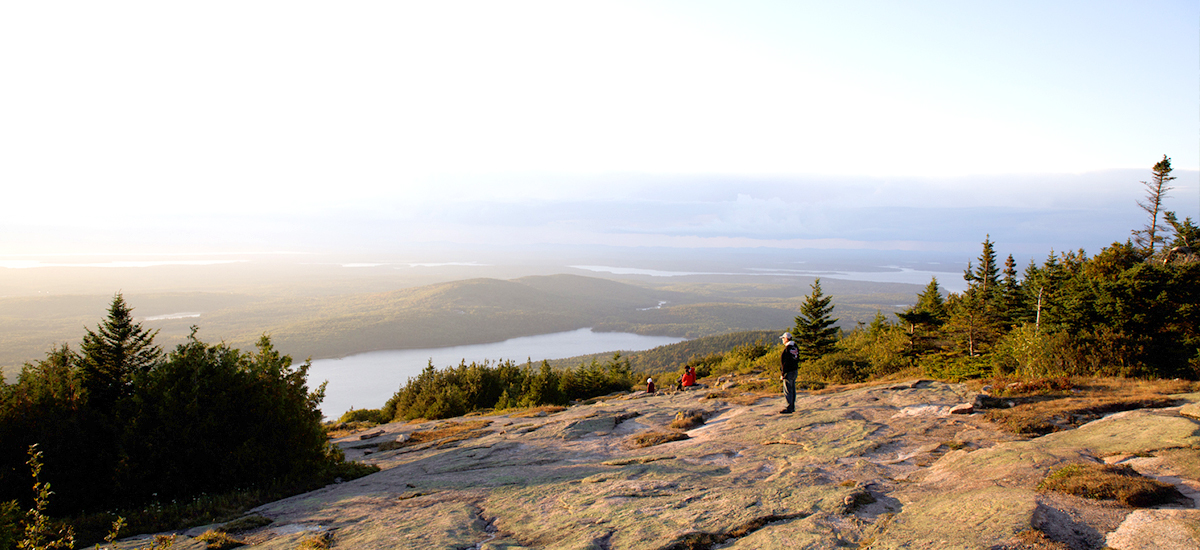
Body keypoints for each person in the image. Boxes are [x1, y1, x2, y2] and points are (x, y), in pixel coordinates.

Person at [779, 332, 799, 414]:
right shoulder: (795, 347)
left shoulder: (787, 349)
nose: (782, 340)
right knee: (792, 389)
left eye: (783, 338)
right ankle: (792, 406)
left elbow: (784, 363)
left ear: (786, 339)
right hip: (794, 370)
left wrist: (783, 374)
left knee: (787, 390)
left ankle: (789, 407)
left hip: (789, 372)